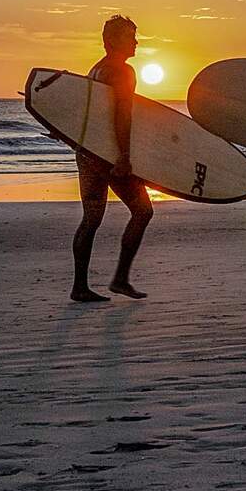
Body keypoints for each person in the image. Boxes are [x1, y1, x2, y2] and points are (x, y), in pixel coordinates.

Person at [70, 15, 153, 303]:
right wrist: (125, 157)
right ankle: (119, 279)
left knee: (91, 220)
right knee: (143, 212)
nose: (136, 42)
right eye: (131, 36)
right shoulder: (122, 72)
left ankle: (80, 287)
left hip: (87, 153)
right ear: (114, 40)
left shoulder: (96, 69)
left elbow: (86, 113)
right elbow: (122, 116)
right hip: (108, 155)